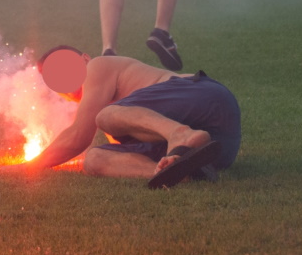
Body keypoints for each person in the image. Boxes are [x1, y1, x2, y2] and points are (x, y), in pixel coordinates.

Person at [21, 46, 240, 188]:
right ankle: (177, 172)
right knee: (95, 159)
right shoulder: (124, 116)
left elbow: (79, 135)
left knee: (105, 115)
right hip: (220, 147)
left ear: (84, 59)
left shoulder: (98, 66)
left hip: (205, 97)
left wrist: (30, 166)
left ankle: (179, 134)